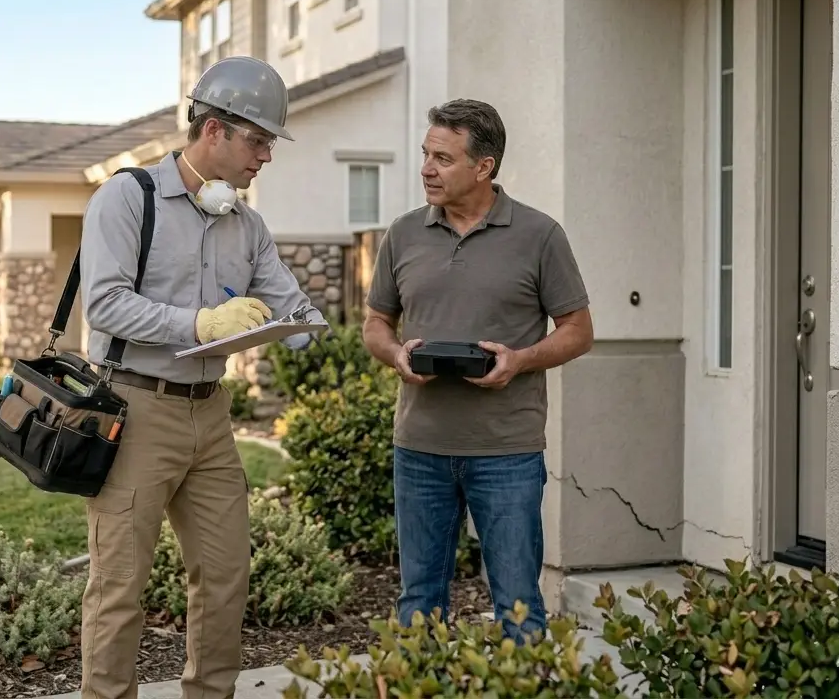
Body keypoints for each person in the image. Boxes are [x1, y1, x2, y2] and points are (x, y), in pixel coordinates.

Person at [76, 55, 327, 699]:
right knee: (119, 587)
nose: (265, 156)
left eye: (270, 144)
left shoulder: (248, 224)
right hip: (135, 409)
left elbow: (296, 310)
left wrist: (299, 326)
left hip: (211, 417)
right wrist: (202, 325)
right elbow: (103, 305)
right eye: (258, 140)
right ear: (214, 129)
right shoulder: (126, 199)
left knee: (224, 576)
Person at [362, 98, 594, 643]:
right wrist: (396, 353)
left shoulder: (540, 235)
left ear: (483, 167)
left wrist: (520, 360)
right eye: (425, 155)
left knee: (517, 606)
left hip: (507, 451)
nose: (426, 168)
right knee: (419, 603)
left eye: (442, 158)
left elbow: (578, 331)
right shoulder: (403, 233)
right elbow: (375, 322)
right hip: (419, 448)